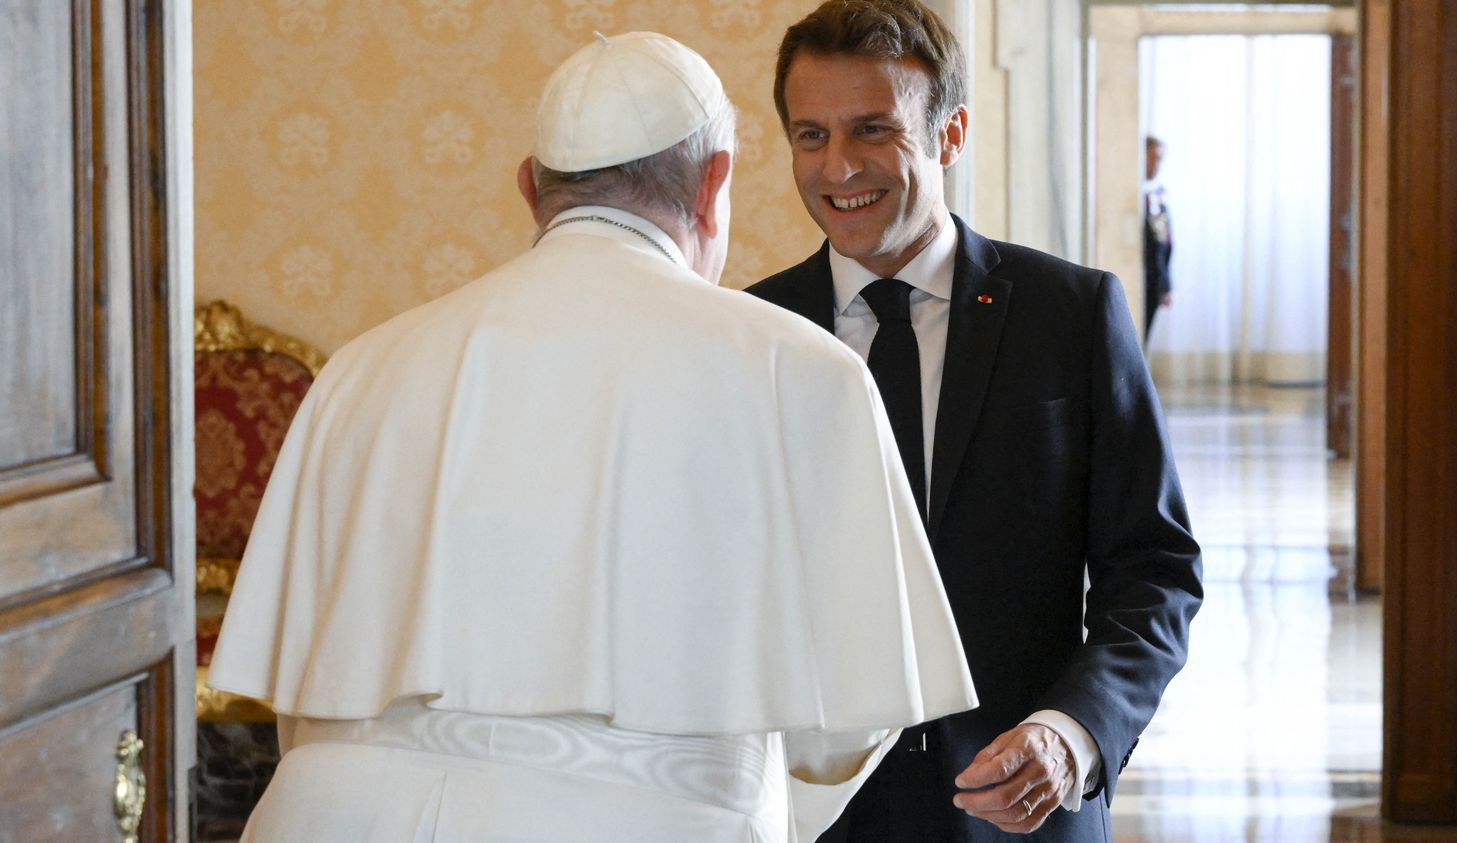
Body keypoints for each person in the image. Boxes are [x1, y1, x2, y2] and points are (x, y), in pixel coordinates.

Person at [208, 31, 978, 843]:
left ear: (528, 188)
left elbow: (304, 682)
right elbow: (846, 723)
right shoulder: (802, 369)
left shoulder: (361, 367)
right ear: (716, 183)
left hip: (328, 814)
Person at [746, 3, 1204, 840]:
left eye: (873, 129)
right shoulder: (746, 334)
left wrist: (1073, 733)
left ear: (950, 134)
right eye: (810, 135)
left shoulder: (1072, 313)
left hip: (1023, 812)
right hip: (807, 818)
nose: (838, 166)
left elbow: (1157, 569)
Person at [1143, 135, 1173, 343]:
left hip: (1153, 279)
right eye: (1153, 157)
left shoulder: (1157, 195)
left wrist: (1166, 284)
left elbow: (1164, 244)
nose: (1157, 164)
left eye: (1160, 159)